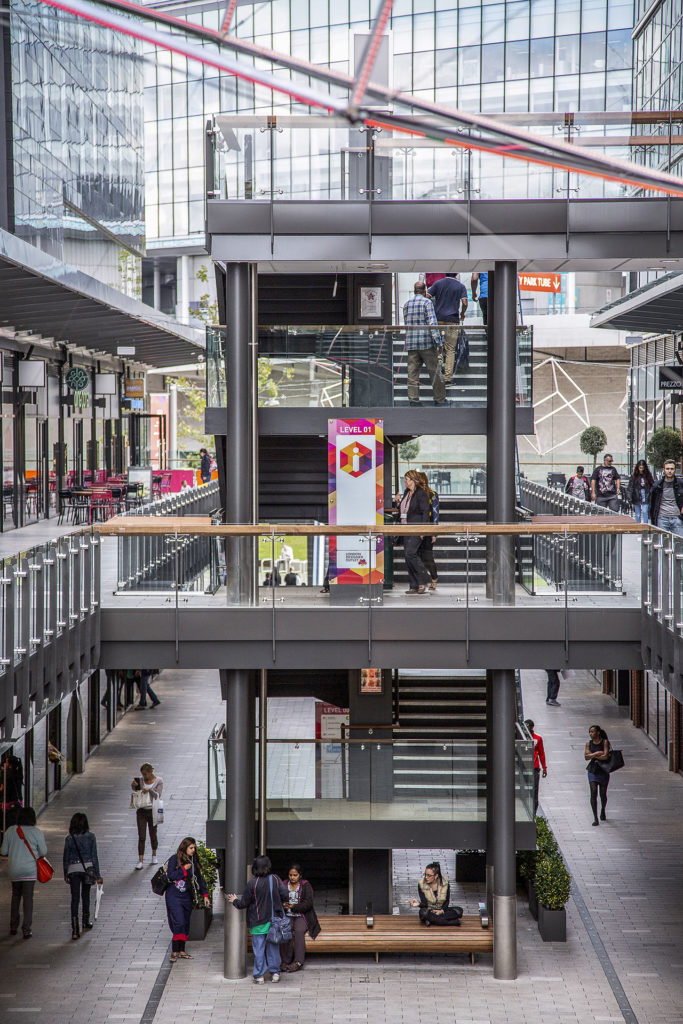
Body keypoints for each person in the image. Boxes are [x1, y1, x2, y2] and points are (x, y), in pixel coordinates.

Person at [227, 855, 289, 984]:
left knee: (259, 949)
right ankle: (275, 972)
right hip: (274, 921)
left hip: (257, 921)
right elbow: (285, 895)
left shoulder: (252, 884)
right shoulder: (275, 879)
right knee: (273, 947)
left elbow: (243, 903)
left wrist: (234, 901)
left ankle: (259, 975)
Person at [0, 806, 47, 939]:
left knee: (15, 897)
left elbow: (3, 851)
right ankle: (26, 929)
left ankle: (13, 926)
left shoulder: (10, 831)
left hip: (14, 870)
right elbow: (43, 852)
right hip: (30, 871)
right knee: (28, 899)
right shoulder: (36, 832)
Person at [164, 836, 210, 962]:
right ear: (184, 848)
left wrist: (205, 895)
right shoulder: (175, 859)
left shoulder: (193, 861)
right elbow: (171, 875)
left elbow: (199, 878)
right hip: (174, 895)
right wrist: (184, 870)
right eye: (191, 848)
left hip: (186, 896)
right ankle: (175, 951)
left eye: (194, 848)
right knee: (178, 921)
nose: (193, 850)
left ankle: (182, 950)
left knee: (185, 923)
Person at [402, 281, 447, 407]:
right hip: (426, 343)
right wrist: (438, 342)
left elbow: (406, 324)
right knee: (435, 372)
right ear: (425, 290)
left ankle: (413, 399)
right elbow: (432, 323)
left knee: (412, 373)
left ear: (415, 290)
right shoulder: (427, 302)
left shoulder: (406, 304)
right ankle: (439, 399)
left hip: (411, 343)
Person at [63, 812, 102, 940]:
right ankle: (86, 921)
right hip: (88, 869)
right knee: (85, 896)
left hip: (73, 870)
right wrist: (98, 874)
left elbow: (66, 858)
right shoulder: (91, 837)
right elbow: (94, 856)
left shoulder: (69, 838)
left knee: (75, 899)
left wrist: (66, 873)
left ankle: (75, 929)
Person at [427, 273, 468, 387]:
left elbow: (427, 297)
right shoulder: (460, 286)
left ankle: (437, 375)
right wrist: (462, 313)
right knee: (450, 349)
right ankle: (448, 378)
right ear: (456, 274)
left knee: (438, 347)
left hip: (438, 319)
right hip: (452, 319)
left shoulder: (438, 283)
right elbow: (464, 302)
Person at [395, 470, 432, 595]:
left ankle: (423, 579)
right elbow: (403, 510)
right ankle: (414, 585)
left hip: (416, 529)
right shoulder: (406, 492)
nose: (405, 482)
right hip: (405, 529)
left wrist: (422, 529)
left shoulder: (421, 494)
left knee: (411, 553)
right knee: (407, 556)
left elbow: (426, 512)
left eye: (407, 479)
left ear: (413, 480)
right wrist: (397, 502)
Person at [279, 863, 321, 972]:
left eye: (295, 875)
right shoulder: (283, 884)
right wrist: (283, 905)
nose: (292, 878)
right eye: (290, 875)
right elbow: (277, 898)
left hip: (303, 915)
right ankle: (285, 961)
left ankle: (298, 961)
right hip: (287, 914)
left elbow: (308, 903)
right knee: (286, 929)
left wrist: (294, 907)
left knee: (299, 931)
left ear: (300, 875)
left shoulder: (306, 885)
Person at [408, 861, 462, 926]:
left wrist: (441, 911)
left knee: (459, 911)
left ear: (436, 876)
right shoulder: (421, 884)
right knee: (423, 913)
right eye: (425, 874)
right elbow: (425, 904)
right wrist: (418, 904)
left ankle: (432, 920)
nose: (426, 877)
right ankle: (450, 922)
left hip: (441, 911)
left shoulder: (445, 883)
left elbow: (446, 901)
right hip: (429, 911)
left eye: (429, 875)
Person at [131, 762, 163, 870]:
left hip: (153, 811)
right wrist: (134, 785)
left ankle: (154, 854)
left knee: (153, 834)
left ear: (150, 772)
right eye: (142, 774)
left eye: (145, 774)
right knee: (142, 836)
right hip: (141, 810)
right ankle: (140, 860)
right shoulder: (140, 780)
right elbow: (135, 791)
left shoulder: (159, 781)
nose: (144, 777)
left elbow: (158, 795)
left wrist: (149, 789)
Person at [416, 471, 440, 591]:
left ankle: (434, 578)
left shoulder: (432, 494)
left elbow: (435, 514)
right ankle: (422, 580)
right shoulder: (414, 494)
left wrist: (434, 533)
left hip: (429, 529)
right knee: (418, 556)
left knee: (427, 556)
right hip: (416, 530)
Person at [584, 724, 611, 826]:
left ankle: (603, 809)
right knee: (593, 792)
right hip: (592, 770)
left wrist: (593, 755)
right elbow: (586, 757)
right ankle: (595, 817)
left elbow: (606, 756)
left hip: (603, 770)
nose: (591, 734)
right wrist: (597, 753)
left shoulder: (605, 742)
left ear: (598, 732)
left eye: (593, 732)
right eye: (590, 732)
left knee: (603, 794)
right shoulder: (588, 743)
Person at [649, 459, 683, 536]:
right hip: (662, 518)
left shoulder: (681, 483)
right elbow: (652, 503)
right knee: (664, 544)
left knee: (679, 544)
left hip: (677, 518)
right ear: (663, 470)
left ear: (675, 470)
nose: (669, 471)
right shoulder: (657, 485)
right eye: (667, 469)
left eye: (672, 469)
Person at [525, 719, 547, 817]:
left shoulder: (537, 738)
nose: (526, 728)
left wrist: (544, 768)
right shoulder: (521, 738)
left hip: (534, 768)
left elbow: (541, 754)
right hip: (524, 768)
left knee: (534, 790)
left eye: (527, 726)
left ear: (531, 727)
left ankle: (533, 812)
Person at [1, 749, 23, 833]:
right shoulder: (17, 773)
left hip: (8, 802)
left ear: (9, 764)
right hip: (16, 801)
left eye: (6, 762)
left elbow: (3, 789)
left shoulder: (7, 775)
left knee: (6, 822)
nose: (5, 764)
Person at [625, 458, 654, 524]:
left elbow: (652, 484)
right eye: (640, 466)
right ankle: (638, 526)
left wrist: (650, 493)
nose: (641, 468)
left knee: (644, 511)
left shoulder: (648, 475)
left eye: (642, 466)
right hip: (636, 495)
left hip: (645, 494)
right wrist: (629, 498)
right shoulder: (634, 476)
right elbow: (630, 487)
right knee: (637, 513)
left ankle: (645, 526)